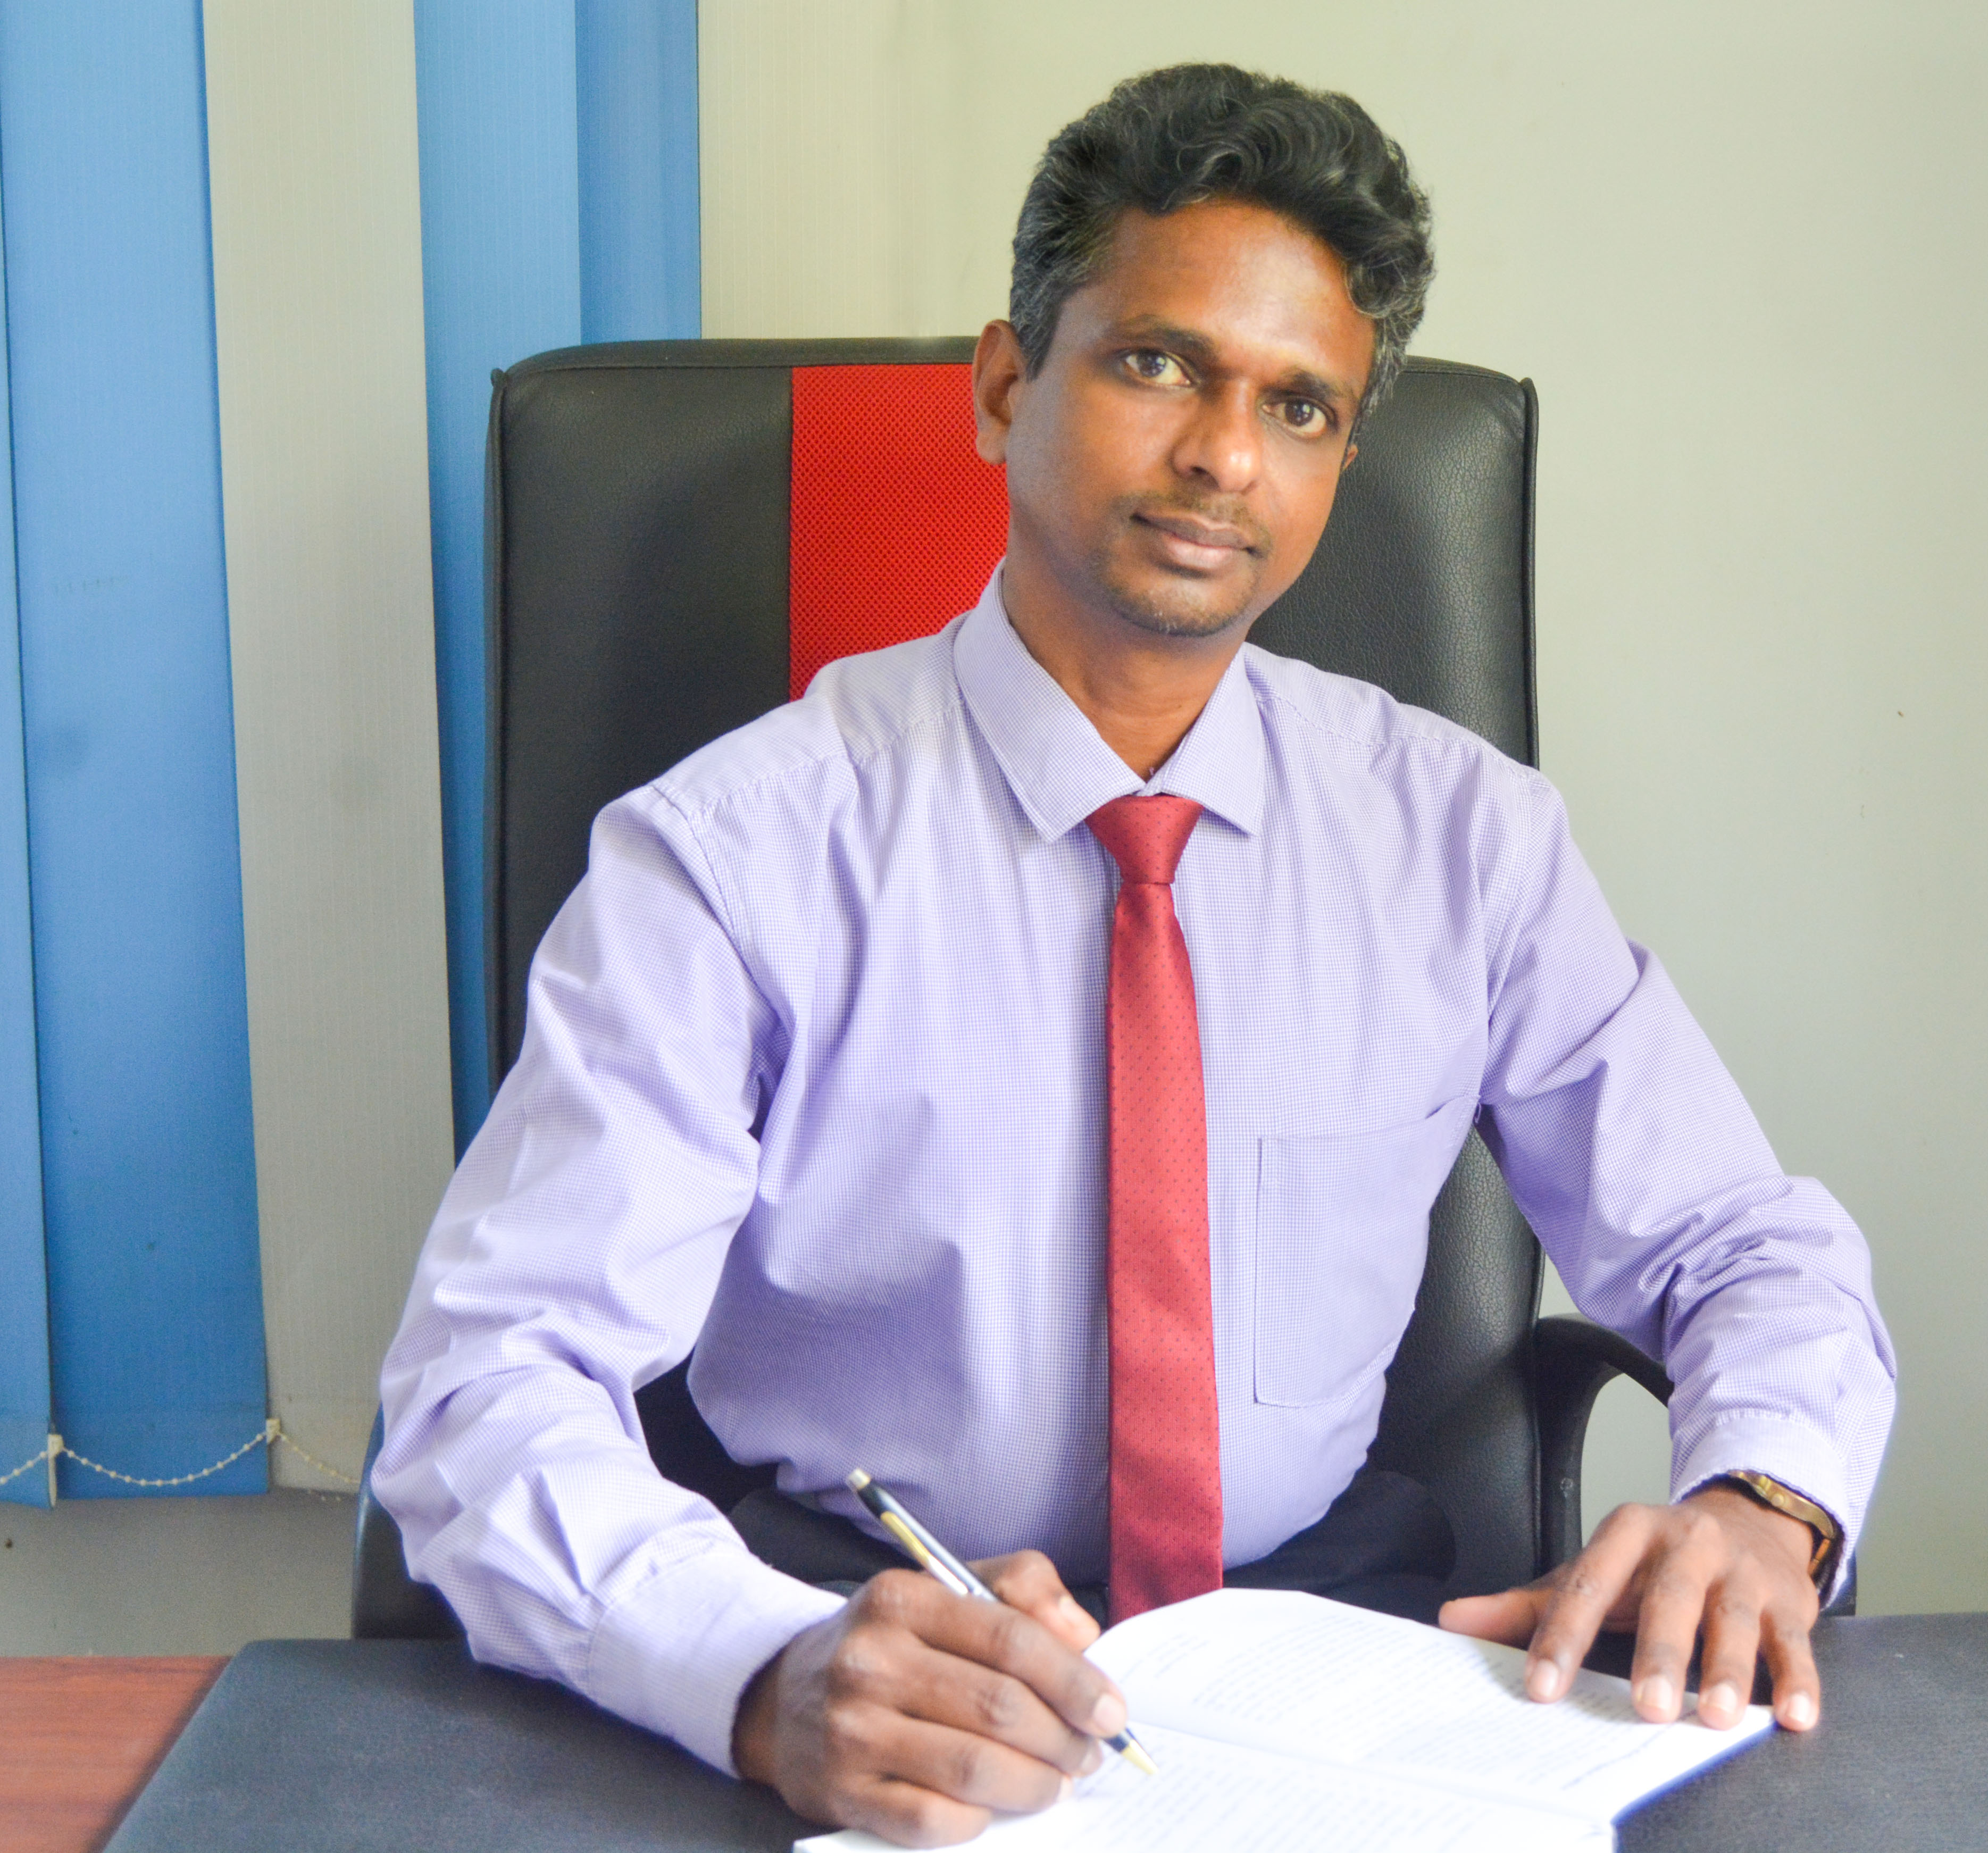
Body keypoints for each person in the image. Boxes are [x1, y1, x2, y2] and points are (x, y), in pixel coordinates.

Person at [376, 62, 1895, 1847]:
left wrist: (1762, 1499)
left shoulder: (1460, 838)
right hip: (879, 1628)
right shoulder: (733, 853)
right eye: (1158, 364)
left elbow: (1739, 1242)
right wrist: (762, 1667)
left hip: (1339, 1653)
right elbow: (488, 1381)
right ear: (1005, 386)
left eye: (1300, 405)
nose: (1224, 457)